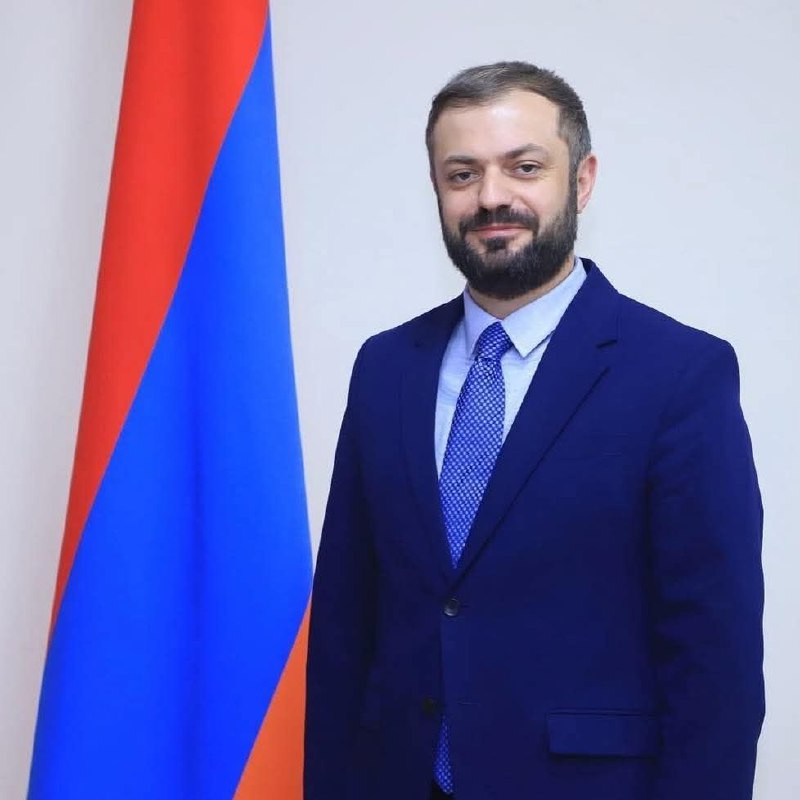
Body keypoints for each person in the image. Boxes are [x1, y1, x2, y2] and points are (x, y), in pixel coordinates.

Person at [304, 62, 764, 800]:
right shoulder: (386, 367)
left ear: (581, 180)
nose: (492, 197)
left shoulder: (680, 374)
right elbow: (343, 627)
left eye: (524, 167)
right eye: (462, 174)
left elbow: (715, 661)